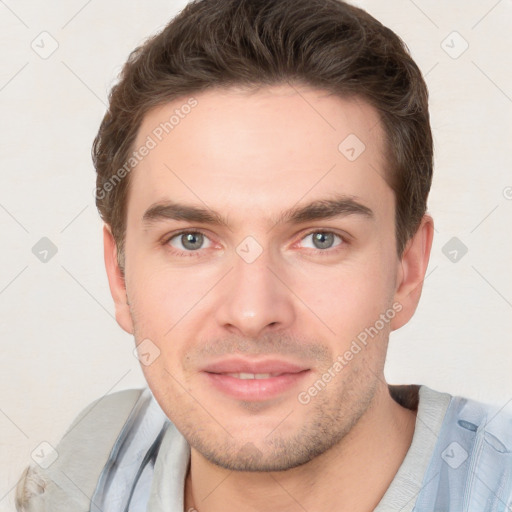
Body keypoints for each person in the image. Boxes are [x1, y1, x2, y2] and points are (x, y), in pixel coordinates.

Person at [15, 0, 512, 510]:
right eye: (191, 239)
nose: (252, 313)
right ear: (119, 276)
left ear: (407, 271)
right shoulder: (84, 468)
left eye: (321, 238)